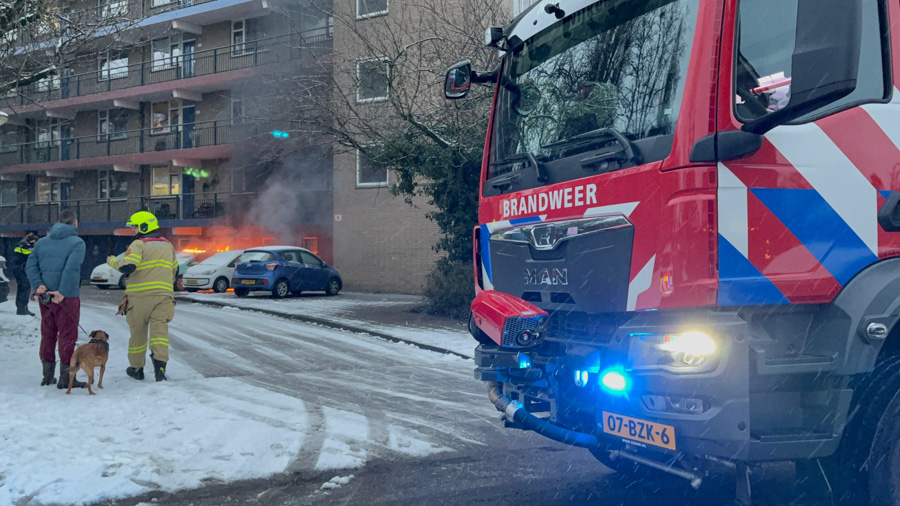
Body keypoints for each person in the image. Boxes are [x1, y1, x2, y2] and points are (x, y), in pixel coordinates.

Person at [108, 211, 176, 382]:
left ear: (144, 226)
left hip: (140, 297)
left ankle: (137, 368)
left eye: (135, 226)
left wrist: (112, 261)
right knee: (160, 333)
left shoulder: (139, 244)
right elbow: (175, 270)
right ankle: (160, 370)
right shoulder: (168, 245)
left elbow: (129, 266)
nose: (133, 230)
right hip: (164, 296)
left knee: (138, 333)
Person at [25, 211, 86, 389]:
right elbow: (71, 269)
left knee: (48, 333)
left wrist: (38, 285)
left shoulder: (42, 242)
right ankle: (66, 378)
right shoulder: (77, 243)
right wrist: (62, 292)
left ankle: (47, 375)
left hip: (45, 297)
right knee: (67, 335)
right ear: (75, 223)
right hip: (67, 297)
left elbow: (30, 265)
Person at [10, 233, 38, 316]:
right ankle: (22, 308)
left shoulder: (21, 244)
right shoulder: (23, 245)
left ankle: (22, 307)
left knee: (22, 287)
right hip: (20, 269)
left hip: (18, 269)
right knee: (25, 287)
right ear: (32, 240)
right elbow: (29, 254)